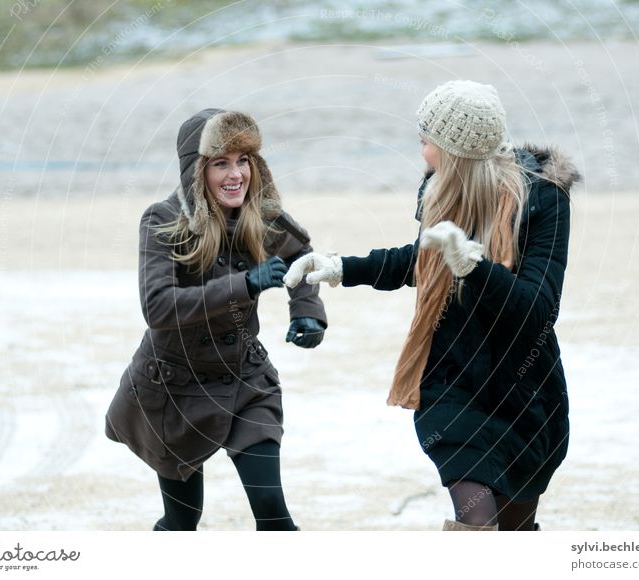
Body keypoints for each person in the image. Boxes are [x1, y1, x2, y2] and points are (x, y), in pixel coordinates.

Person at [285, 81, 579, 531]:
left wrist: (474, 268)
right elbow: (419, 258)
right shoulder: (438, 188)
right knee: (477, 520)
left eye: (427, 141)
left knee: (517, 529)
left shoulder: (544, 200)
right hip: (453, 381)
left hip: (525, 389)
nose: (422, 152)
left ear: (454, 149)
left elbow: (538, 309)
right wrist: (341, 267)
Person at [105, 109, 327, 531]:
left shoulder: (260, 215)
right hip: (175, 390)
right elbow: (158, 307)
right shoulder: (162, 220)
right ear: (196, 170)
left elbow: (302, 256)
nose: (236, 174)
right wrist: (245, 284)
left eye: (243, 160)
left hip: (245, 381)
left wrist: (308, 312)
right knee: (183, 521)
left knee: (273, 511)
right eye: (221, 163)